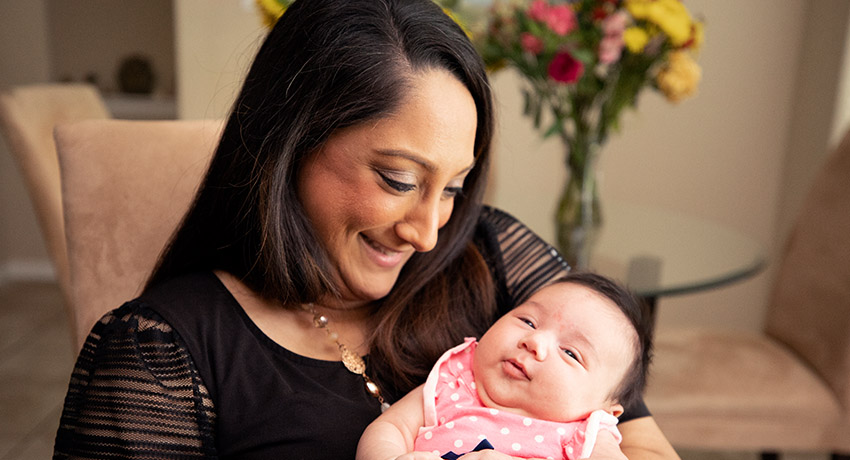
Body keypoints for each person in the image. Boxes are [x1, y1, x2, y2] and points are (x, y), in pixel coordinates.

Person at [53, 1, 679, 459]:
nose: (431, 233)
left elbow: (641, 443)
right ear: (289, 143)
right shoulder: (161, 353)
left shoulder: (494, 253)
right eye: (401, 181)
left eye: (454, 188)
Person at [356, 272, 651, 460]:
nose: (534, 341)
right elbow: (390, 427)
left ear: (605, 410)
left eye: (571, 353)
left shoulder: (587, 433)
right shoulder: (456, 378)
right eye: (528, 321)